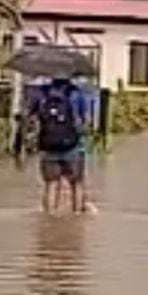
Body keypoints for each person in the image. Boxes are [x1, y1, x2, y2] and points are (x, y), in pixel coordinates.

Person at [30, 76, 88, 214]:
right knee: (76, 183)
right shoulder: (77, 93)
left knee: (51, 184)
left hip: (48, 146)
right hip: (73, 145)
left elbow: (31, 116)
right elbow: (86, 121)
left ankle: (50, 217)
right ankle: (77, 216)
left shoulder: (41, 93)